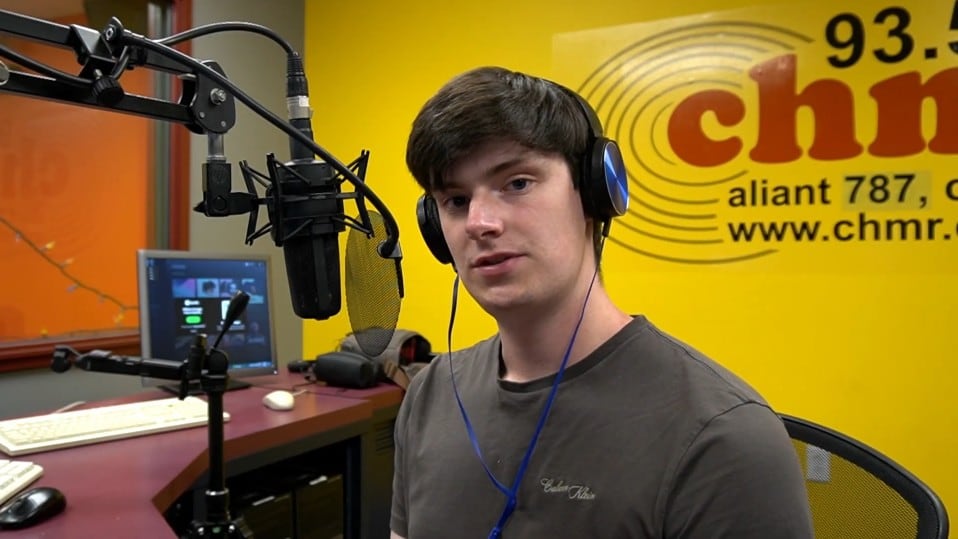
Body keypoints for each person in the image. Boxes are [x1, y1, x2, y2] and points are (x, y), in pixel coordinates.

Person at [390, 66, 813, 539]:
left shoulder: (723, 441)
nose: (480, 223)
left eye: (517, 183)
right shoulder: (429, 398)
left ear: (596, 193)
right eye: (456, 200)